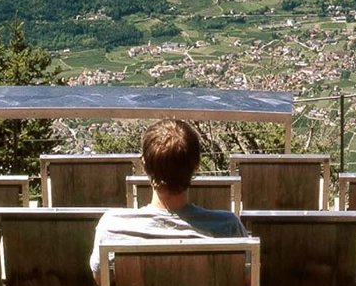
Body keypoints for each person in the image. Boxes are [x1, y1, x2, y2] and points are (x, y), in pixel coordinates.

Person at [89, 117, 247, 273]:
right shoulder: (229, 228)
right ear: (197, 164)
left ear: (144, 165)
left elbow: (102, 280)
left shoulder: (112, 227)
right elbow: (248, 283)